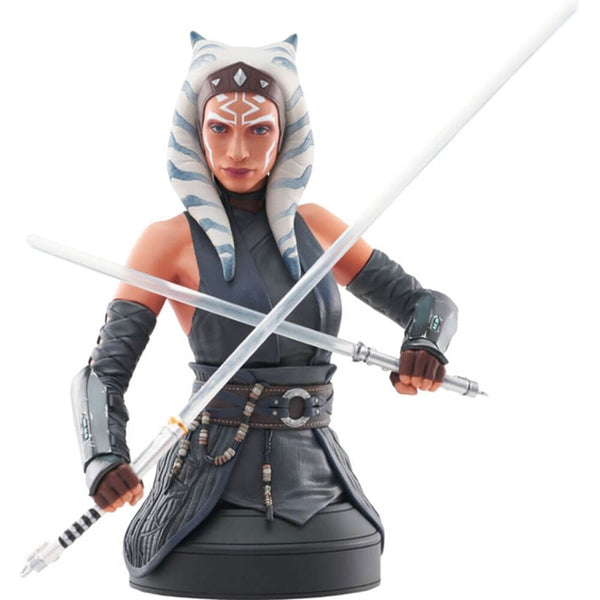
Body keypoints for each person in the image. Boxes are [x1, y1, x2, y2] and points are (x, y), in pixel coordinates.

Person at [71, 32, 457, 583]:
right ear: (195, 132)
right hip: (210, 476)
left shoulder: (318, 228)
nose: (237, 152)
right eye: (219, 129)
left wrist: (425, 342)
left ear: (285, 134)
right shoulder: (166, 242)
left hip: (320, 475)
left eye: (258, 130)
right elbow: (102, 373)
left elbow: (429, 304)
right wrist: (103, 457)